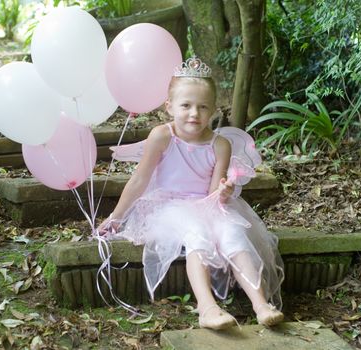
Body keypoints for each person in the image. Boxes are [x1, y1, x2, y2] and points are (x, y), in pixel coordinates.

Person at [98, 57, 284, 329]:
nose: (194, 113)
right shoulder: (162, 136)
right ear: (169, 107)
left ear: (213, 111)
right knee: (198, 231)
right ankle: (207, 308)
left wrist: (224, 191)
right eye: (185, 105)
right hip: (169, 206)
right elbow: (139, 180)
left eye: (202, 107)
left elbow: (212, 195)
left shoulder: (219, 145)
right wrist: (116, 217)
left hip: (206, 204)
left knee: (231, 232)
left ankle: (261, 304)